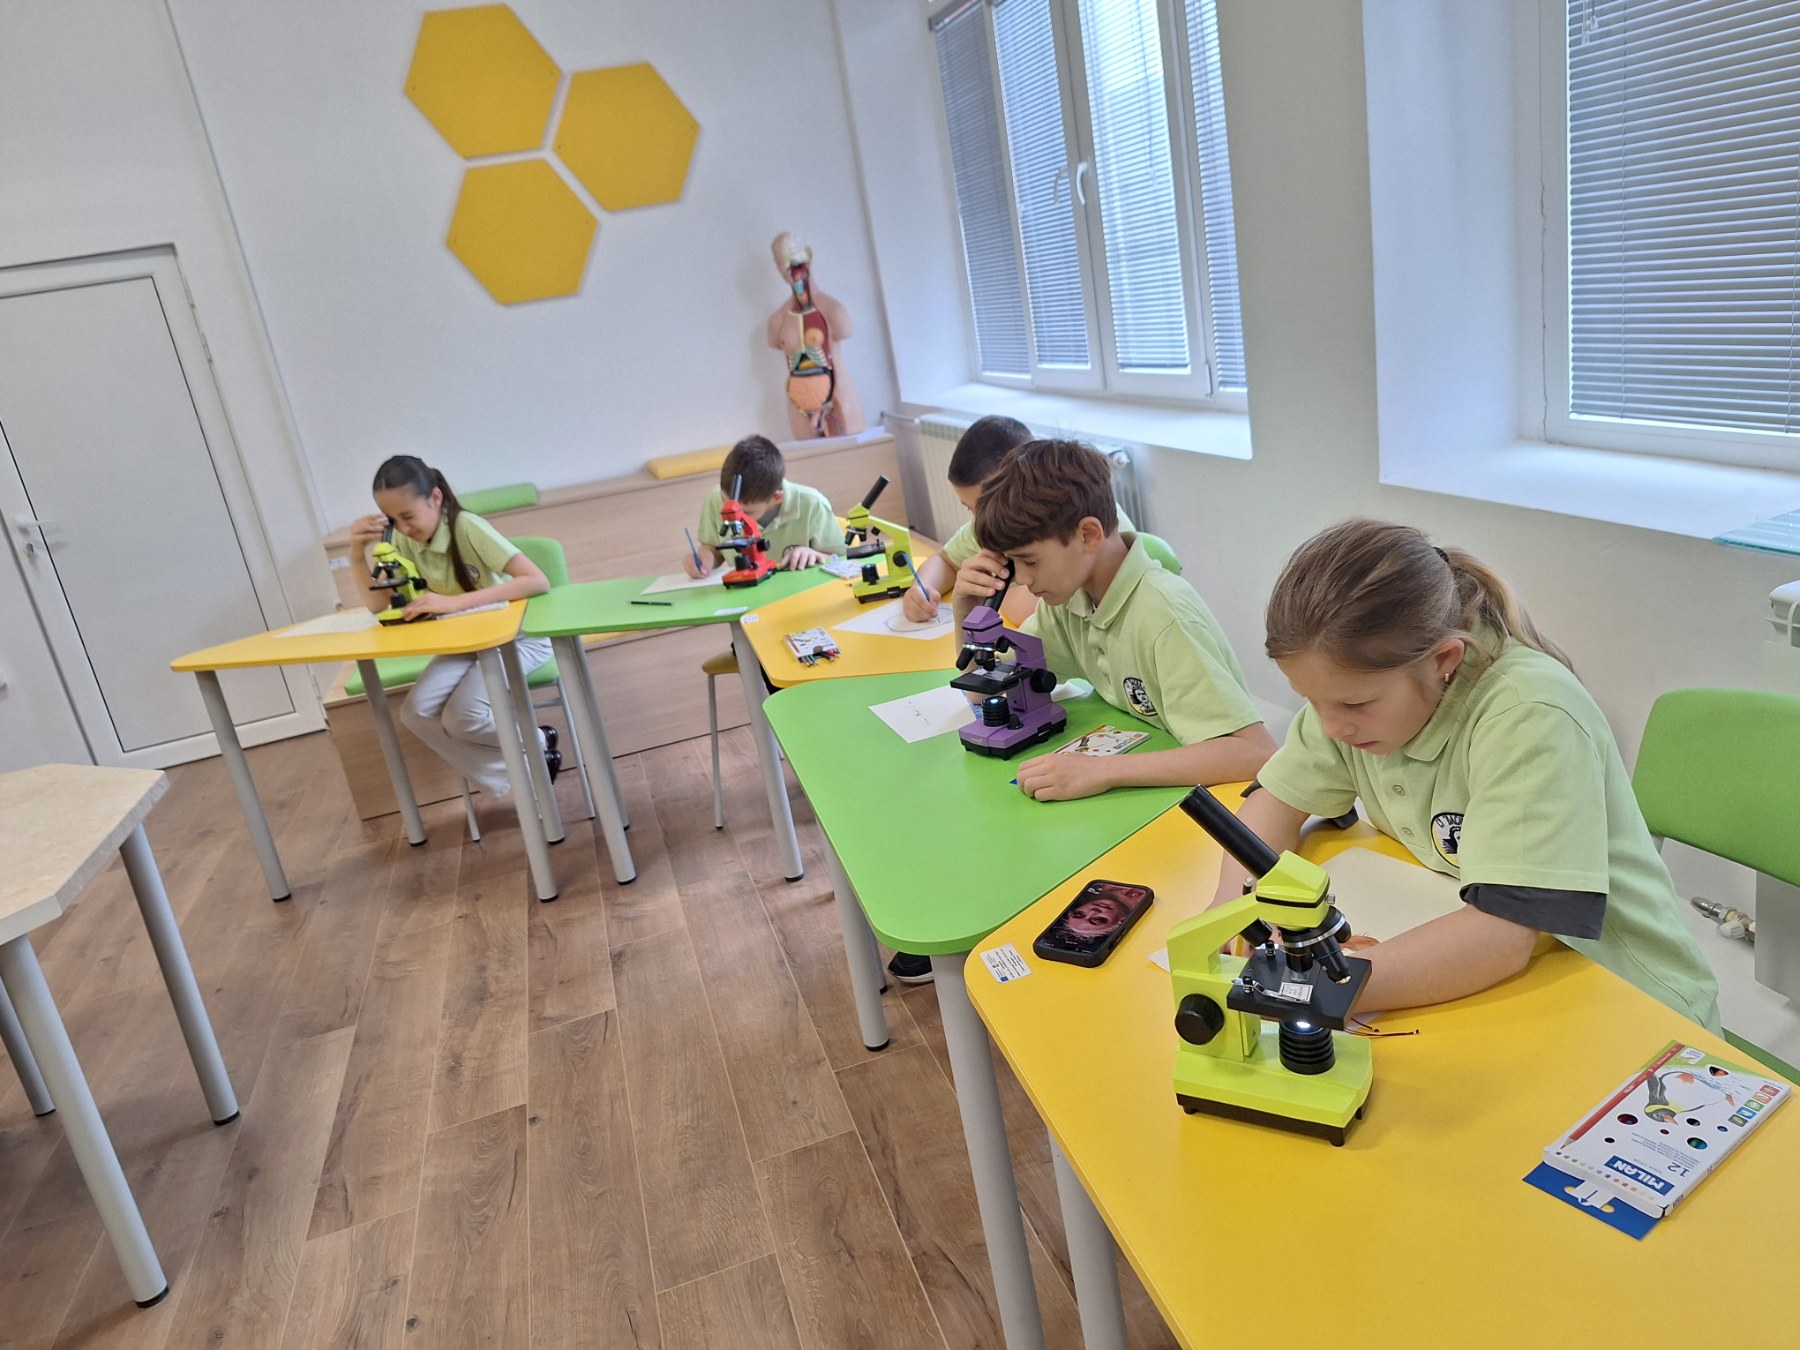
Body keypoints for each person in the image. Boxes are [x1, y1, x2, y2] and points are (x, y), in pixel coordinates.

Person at [1217, 517, 1719, 1028]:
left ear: (1444, 659)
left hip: (1630, 1001)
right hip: (1501, 975)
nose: (1330, 726)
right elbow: (1275, 802)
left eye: (1354, 704)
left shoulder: (1529, 715)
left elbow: (1503, 934)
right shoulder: (1355, 698)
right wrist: (1231, 917)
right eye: (1311, 700)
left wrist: (1301, 988)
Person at [887, 440, 1274, 987]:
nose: (1023, 580)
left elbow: (1253, 752)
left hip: (1200, 820)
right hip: (1141, 801)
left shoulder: (1163, 613)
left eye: (1029, 561)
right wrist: (966, 613)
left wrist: (1102, 770)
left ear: (1088, 535)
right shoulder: (1072, 599)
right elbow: (988, 695)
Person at [349, 455, 556, 800]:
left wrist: (454, 603)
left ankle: (529, 761)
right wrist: (356, 554)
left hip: (515, 640)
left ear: (435, 498)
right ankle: (532, 752)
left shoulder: (467, 527)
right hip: (466, 644)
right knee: (415, 713)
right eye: (393, 519)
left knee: (463, 717)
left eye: (408, 516)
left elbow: (537, 580)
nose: (402, 528)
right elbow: (376, 604)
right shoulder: (402, 540)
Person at [902, 416, 1136, 625]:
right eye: (970, 508)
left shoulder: (1082, 524)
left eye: (984, 505)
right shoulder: (991, 523)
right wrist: (923, 588)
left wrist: (994, 591)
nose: (980, 520)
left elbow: (1027, 612)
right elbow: (945, 560)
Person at [685, 435, 840, 578]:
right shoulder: (715, 499)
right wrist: (705, 559)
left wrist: (815, 555)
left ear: (777, 498)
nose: (737, 518)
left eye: (746, 512)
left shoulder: (812, 504)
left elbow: (842, 559)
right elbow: (712, 547)